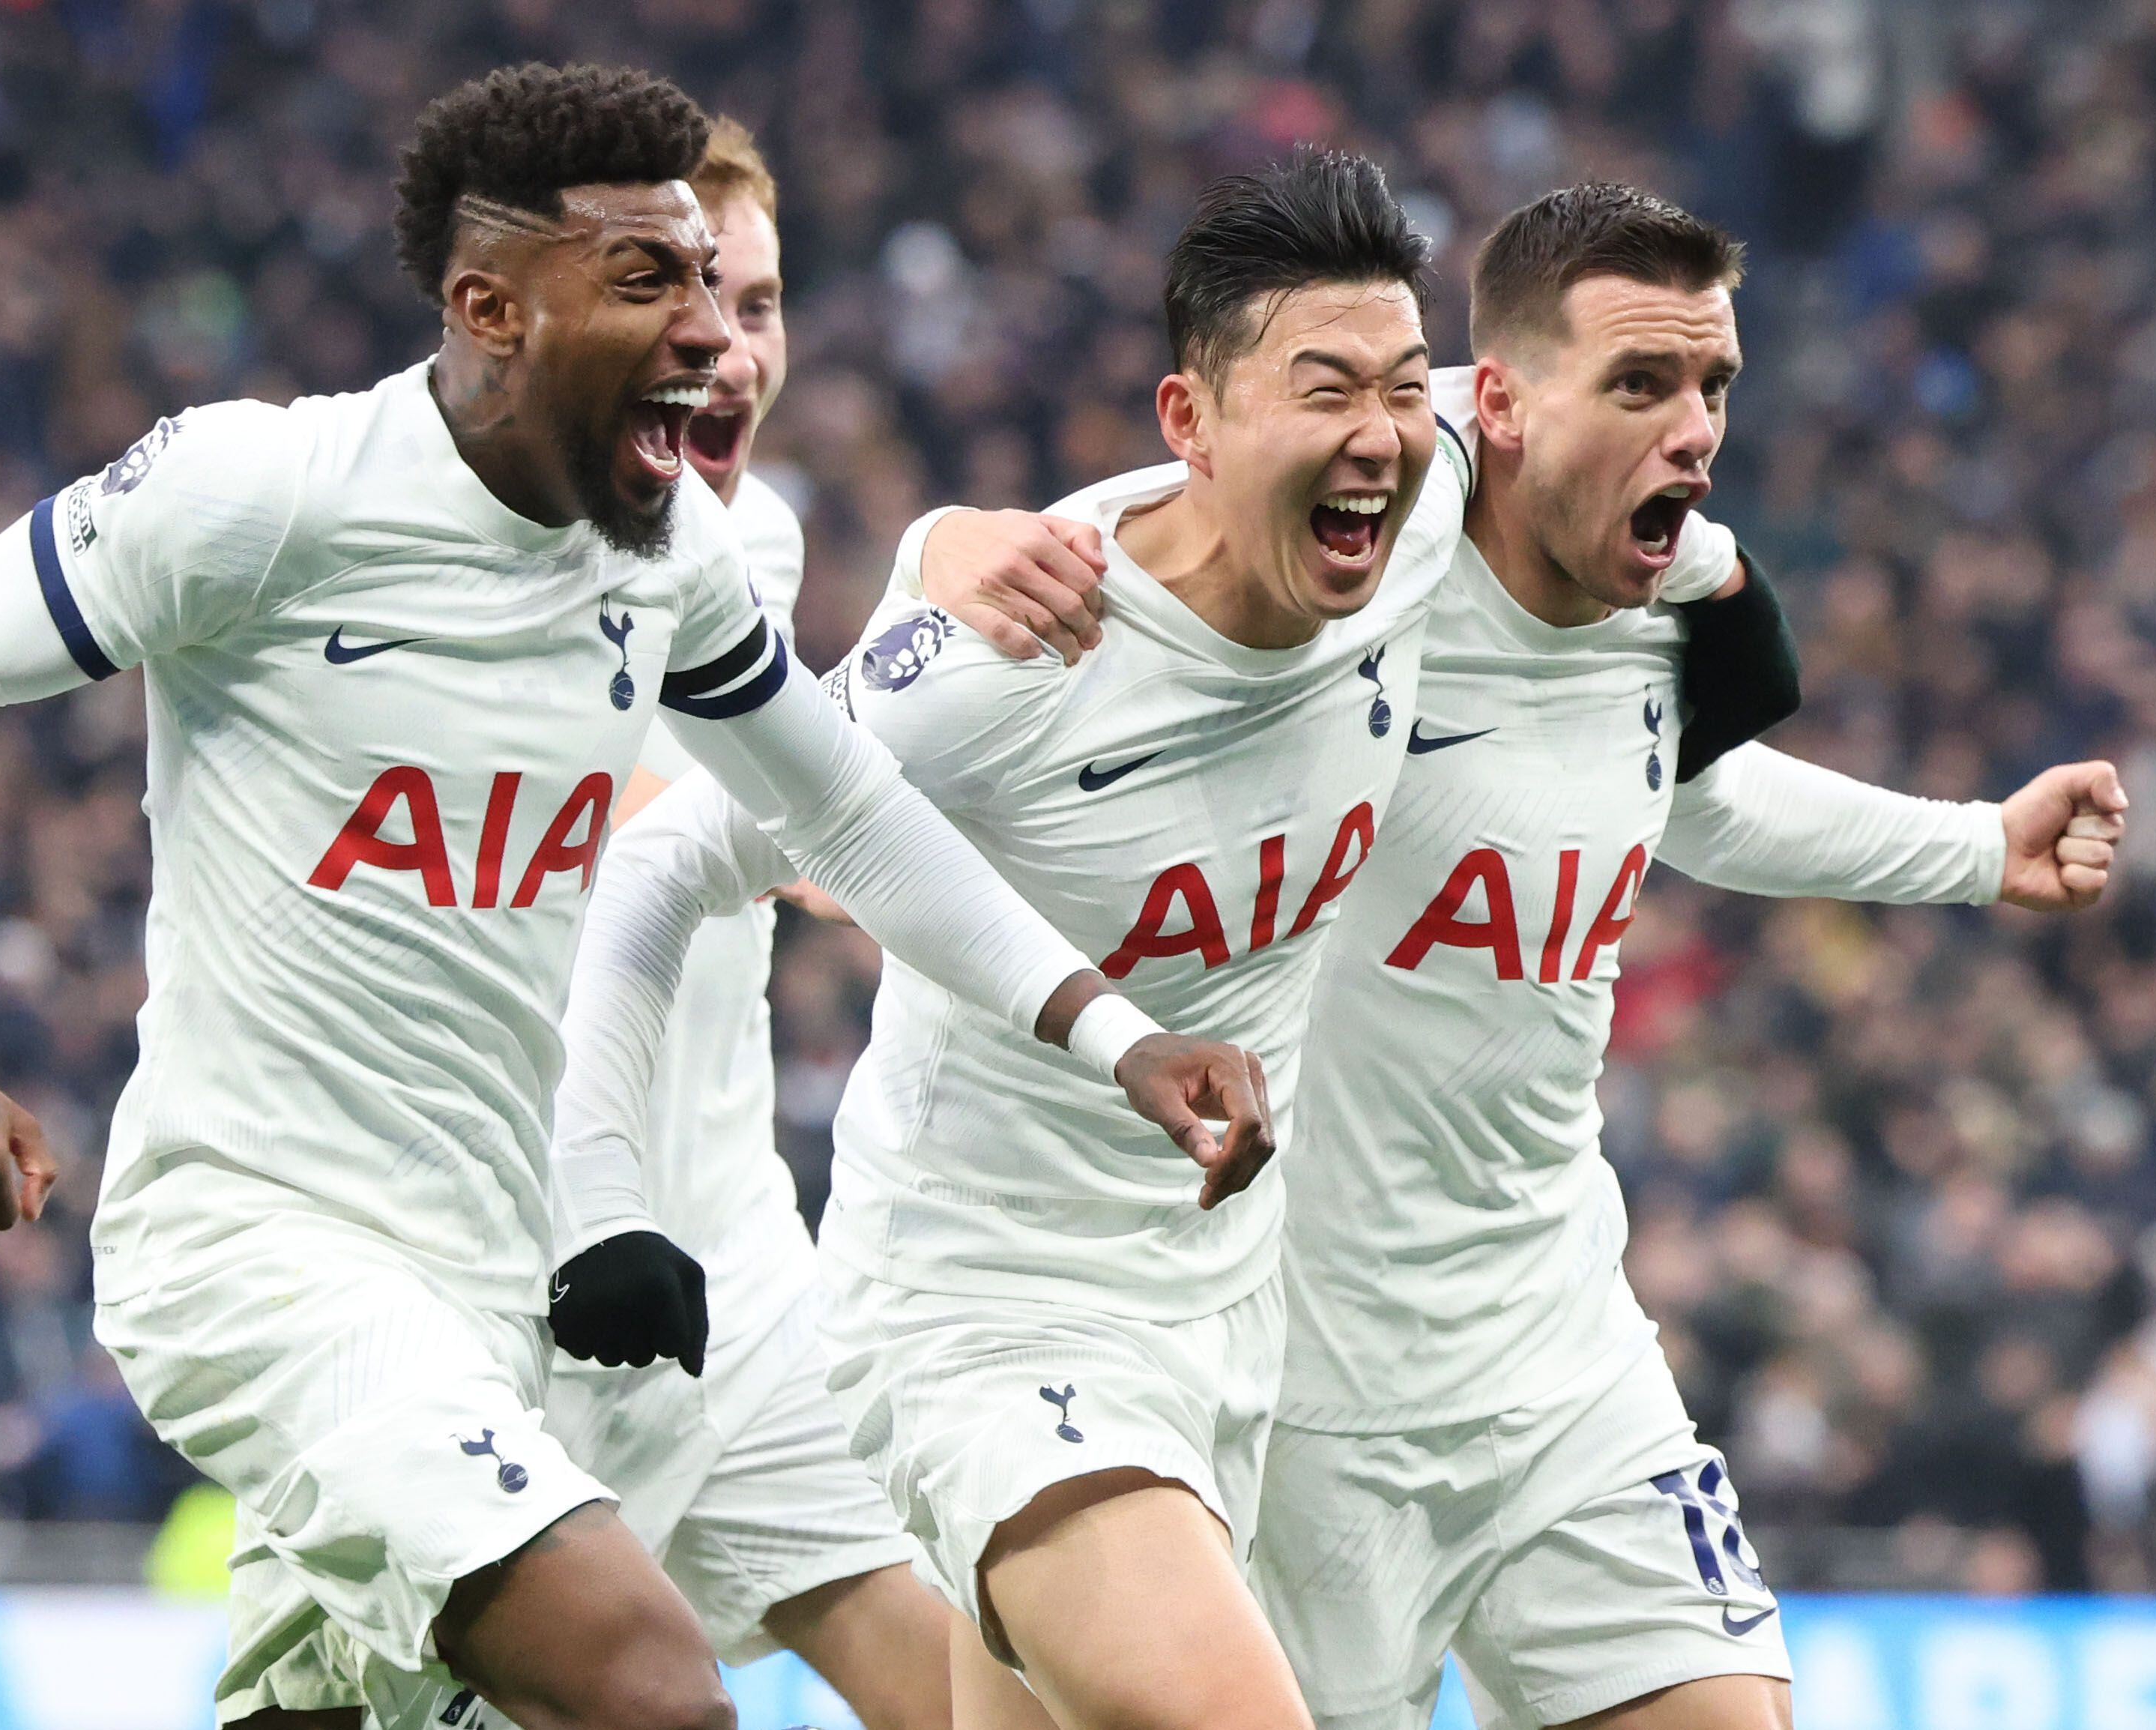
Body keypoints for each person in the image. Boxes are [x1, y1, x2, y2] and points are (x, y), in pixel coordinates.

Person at [0, 62, 1264, 1730]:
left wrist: (1115, 1035)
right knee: (650, 1685)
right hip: (267, 1242)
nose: (714, 338)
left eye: (727, 294)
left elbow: (855, 813)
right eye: (652, 284)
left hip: (506, 1276)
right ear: (488, 306)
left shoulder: (674, 555)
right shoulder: (265, 492)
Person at [914, 183, 2128, 1730]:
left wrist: (1973, 848)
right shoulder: (1344, 591)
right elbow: (1138, 534)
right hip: (1305, 1394)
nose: (1691, 426)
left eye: (1712, 389)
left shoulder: (1651, 598)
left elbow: (1681, 794)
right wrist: (935, 545)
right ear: (1488, 401)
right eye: (1639, 384)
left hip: (1563, 1352)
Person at [555, 150, 1474, 1730]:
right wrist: (600, 1202)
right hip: (983, 1312)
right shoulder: (996, 661)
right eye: (1326, 391)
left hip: (1226, 1303)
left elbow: (1571, 400)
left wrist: (1724, 591)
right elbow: (660, 868)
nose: (1377, 436)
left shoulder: (1422, 503)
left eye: (1402, 389)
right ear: (1187, 421)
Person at [536, 118, 954, 1730]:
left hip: (736, 1277)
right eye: (687, 296)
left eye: (761, 304)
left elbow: (784, 798)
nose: (728, 352)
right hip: (499, 1284)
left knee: (978, 1687)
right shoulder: (461, 559)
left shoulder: (751, 541)